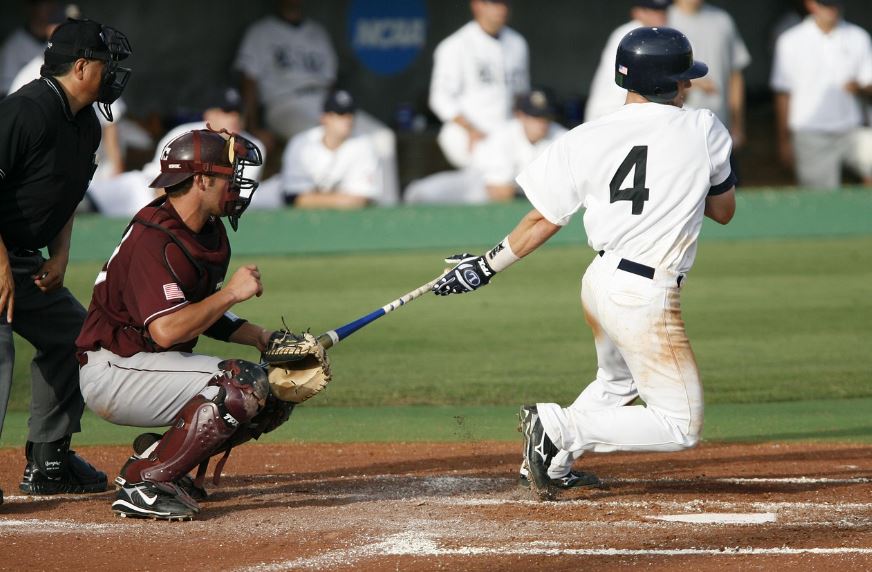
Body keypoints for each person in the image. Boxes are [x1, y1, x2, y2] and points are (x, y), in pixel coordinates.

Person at [431, 27, 736, 500]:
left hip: (601, 281)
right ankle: (556, 427)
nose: (689, 85)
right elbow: (723, 211)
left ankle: (550, 462)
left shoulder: (585, 135)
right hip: (644, 294)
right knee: (681, 425)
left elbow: (542, 219)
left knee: (617, 382)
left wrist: (486, 266)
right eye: (683, 78)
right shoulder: (704, 128)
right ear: (665, 82)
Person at [75, 127, 295, 520]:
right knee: (240, 384)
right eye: (228, 176)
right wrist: (232, 293)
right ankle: (145, 482)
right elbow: (168, 330)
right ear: (202, 180)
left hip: (147, 365)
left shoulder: (206, 231)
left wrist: (263, 338)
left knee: (273, 391)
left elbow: (199, 311)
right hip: (114, 369)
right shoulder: (153, 238)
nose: (236, 186)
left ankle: (159, 458)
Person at [0, 17, 132, 504]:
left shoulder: (86, 124)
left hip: (21, 258)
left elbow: (66, 195)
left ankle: (49, 460)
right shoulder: (25, 110)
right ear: (80, 67)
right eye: (105, 63)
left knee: (75, 337)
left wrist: (59, 256)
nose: (113, 73)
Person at [87, 86, 270, 216]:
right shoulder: (183, 132)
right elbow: (158, 181)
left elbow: (234, 196)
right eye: (226, 111)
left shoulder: (251, 148)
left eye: (238, 112)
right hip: (147, 191)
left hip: (195, 206)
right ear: (209, 114)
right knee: (101, 191)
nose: (234, 117)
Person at [771, 0, 872, 188]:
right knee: (820, 197)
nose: (832, 9)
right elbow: (783, 93)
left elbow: (868, 82)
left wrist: (859, 87)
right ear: (811, 4)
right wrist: (784, 141)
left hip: (853, 127)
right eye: (826, 4)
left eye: (836, 3)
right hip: (811, 133)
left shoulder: (859, 37)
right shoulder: (790, 40)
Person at [404, 89, 567, 204]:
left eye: (546, 117)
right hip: (478, 184)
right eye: (536, 117)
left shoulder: (561, 137)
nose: (542, 123)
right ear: (520, 116)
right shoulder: (504, 135)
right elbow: (498, 191)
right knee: (418, 193)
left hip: (522, 197)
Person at [429, 0, 529, 169]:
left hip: (507, 131)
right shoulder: (455, 45)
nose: (501, 8)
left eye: (505, 3)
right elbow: (439, 98)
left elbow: (521, 93)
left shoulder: (517, 43)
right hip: (468, 132)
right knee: (492, 174)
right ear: (477, 5)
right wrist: (470, 129)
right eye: (494, 3)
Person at [234, 0, 337, 143]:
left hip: (322, 101)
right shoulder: (260, 31)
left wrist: (334, 110)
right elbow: (249, 83)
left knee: (370, 134)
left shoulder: (319, 32)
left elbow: (331, 81)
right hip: (284, 103)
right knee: (316, 138)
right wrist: (252, 129)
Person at [668, 0, 751, 150]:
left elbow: (735, 74)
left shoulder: (723, 20)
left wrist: (737, 124)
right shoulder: (663, 20)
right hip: (679, 129)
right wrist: (693, 84)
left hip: (720, 126)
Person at [280, 90, 382, 209]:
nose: (348, 119)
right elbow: (295, 198)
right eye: (340, 114)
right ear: (324, 118)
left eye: (351, 113)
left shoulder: (363, 144)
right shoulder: (302, 143)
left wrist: (314, 198)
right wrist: (341, 200)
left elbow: (360, 199)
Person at [584, 0, 670, 123]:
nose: (660, 15)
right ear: (637, 13)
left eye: (663, 10)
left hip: (642, 111)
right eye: (653, 11)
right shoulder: (627, 36)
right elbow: (621, 77)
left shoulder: (671, 34)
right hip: (609, 111)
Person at [0, 0, 66, 97]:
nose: (51, 7)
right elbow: (5, 92)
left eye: (52, 2)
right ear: (31, 7)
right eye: (45, 3)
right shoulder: (13, 45)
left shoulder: (59, 42)